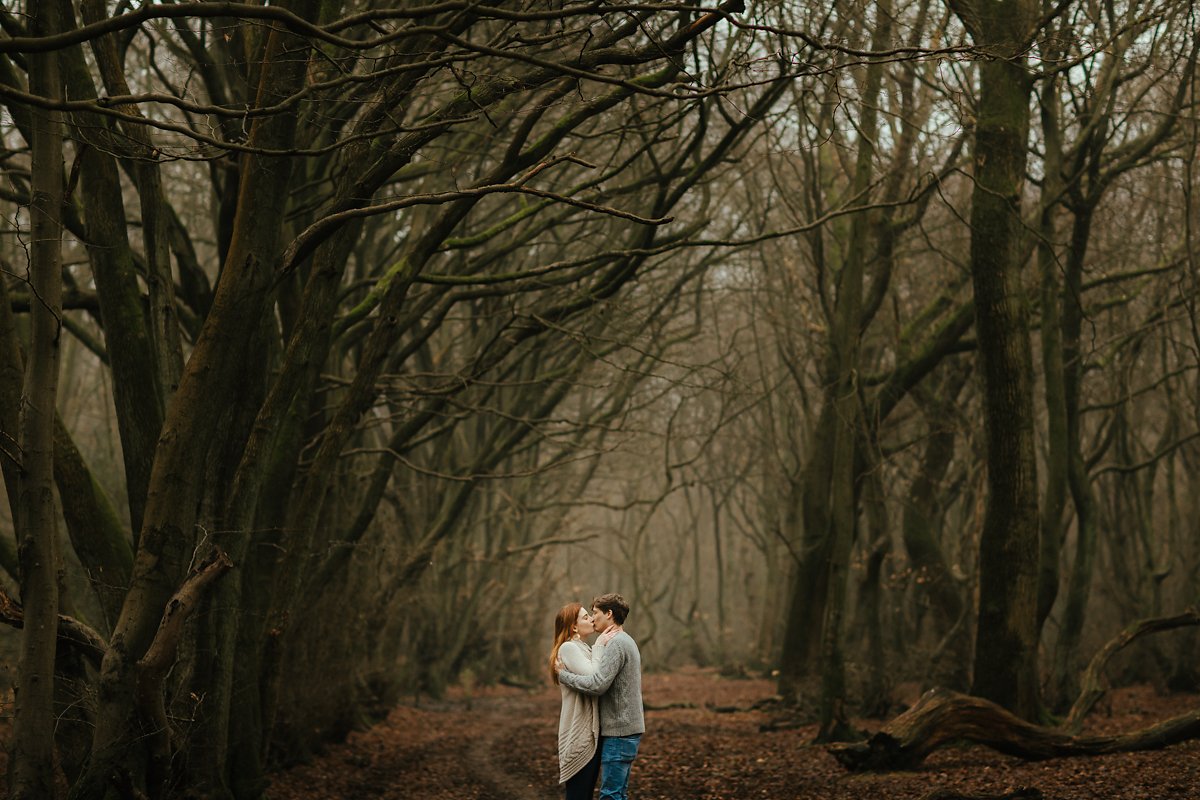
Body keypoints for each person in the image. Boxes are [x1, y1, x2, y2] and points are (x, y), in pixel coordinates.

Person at [557, 593, 643, 800]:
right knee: (617, 793)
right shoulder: (622, 641)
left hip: (619, 731)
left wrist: (563, 675)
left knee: (611, 795)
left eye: (595, 613)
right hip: (623, 729)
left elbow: (597, 684)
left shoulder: (616, 644)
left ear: (609, 614)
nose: (593, 618)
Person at [550, 602, 601, 800]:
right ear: (573, 627)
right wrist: (601, 646)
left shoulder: (582, 648)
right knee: (579, 795)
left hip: (587, 732)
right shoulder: (569, 647)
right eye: (586, 617)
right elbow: (594, 677)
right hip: (578, 733)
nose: (592, 619)